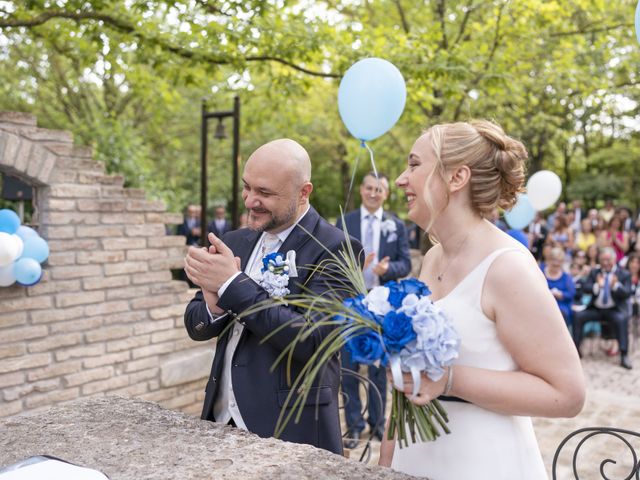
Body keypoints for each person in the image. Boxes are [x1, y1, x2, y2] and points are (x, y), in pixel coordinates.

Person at [380, 120, 585, 479]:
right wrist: (386, 462)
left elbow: (567, 393)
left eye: (414, 165)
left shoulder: (508, 267)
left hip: (483, 462)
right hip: (416, 459)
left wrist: (449, 381)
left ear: (457, 177)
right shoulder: (432, 258)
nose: (400, 179)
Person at [183, 139, 361, 455]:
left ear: (304, 192)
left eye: (264, 193)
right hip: (220, 423)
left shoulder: (337, 249)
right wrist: (212, 303)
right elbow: (196, 323)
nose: (250, 201)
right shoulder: (235, 241)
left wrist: (232, 285)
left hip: (291, 429)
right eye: (246, 188)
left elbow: (313, 340)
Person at [336, 172, 412, 448]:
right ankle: (354, 426)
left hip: (382, 303)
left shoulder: (396, 224)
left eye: (378, 189)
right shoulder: (346, 221)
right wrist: (353, 267)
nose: (373, 193)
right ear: (361, 190)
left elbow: (406, 264)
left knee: (379, 367)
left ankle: (378, 424)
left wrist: (388, 269)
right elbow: (333, 261)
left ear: (386, 194)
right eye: (369, 188)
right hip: (351, 302)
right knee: (350, 366)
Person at [572, 247, 633, 369]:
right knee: (578, 316)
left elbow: (627, 292)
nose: (605, 263)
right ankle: (575, 351)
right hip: (596, 309)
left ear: (614, 260)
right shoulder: (595, 272)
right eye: (603, 260)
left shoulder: (623, 274)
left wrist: (615, 285)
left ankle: (624, 355)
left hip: (614, 309)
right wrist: (597, 286)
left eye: (608, 260)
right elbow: (585, 288)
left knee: (622, 319)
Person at [542, 247, 576, 328]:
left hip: (561, 305)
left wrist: (561, 294)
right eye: (554, 260)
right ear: (549, 260)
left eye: (559, 261)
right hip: (544, 303)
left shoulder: (566, 277)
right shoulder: (541, 273)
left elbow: (571, 294)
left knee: (560, 314)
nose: (556, 263)